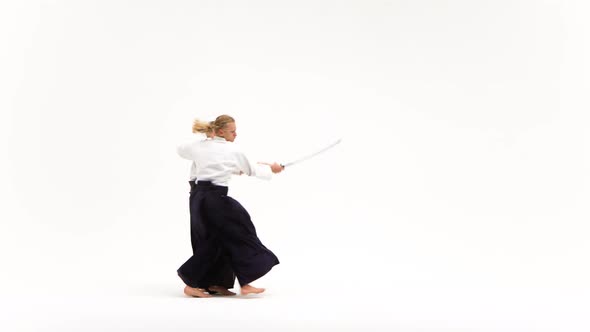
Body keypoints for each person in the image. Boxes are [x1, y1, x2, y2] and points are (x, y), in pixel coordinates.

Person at [176, 115, 283, 297]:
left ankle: (215, 283)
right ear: (220, 131)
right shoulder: (232, 150)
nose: (236, 134)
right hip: (215, 199)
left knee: (214, 240)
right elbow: (253, 170)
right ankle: (193, 282)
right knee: (241, 234)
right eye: (232, 131)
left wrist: (228, 165)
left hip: (198, 198)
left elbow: (181, 150)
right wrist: (273, 169)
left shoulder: (200, 146)